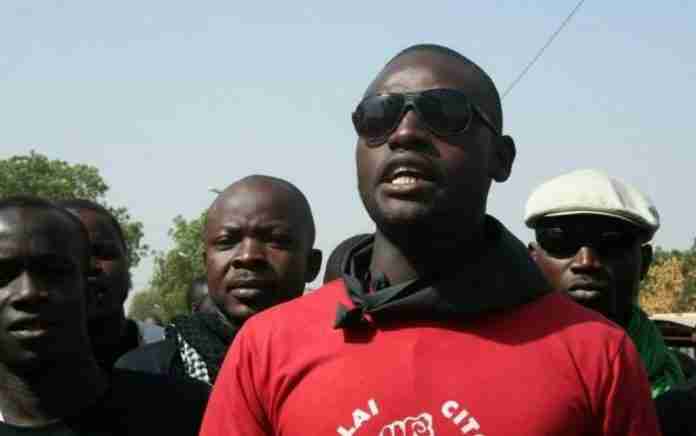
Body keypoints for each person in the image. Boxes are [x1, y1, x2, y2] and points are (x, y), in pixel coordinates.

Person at [200, 44, 660, 435]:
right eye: (378, 116)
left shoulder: (596, 354)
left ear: (501, 158)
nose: (405, 134)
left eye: (445, 113)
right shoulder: (267, 347)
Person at [0, 196, 209, 435]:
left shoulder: (187, 410)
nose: (27, 292)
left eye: (53, 271)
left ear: (86, 283)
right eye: (2, 275)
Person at [116, 175, 322, 384]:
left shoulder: (337, 361)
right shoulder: (144, 374)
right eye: (227, 241)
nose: (247, 256)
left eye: (275, 240)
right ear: (206, 263)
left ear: (312, 265)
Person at [525, 168, 687, 398]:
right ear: (533, 260)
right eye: (561, 242)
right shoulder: (501, 371)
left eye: (612, 243)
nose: (586, 262)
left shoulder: (685, 387)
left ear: (645, 263)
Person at [58, 199, 163, 369]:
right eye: (72, 255)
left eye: (103, 252)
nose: (90, 266)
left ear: (127, 259)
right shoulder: (19, 373)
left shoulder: (178, 355)